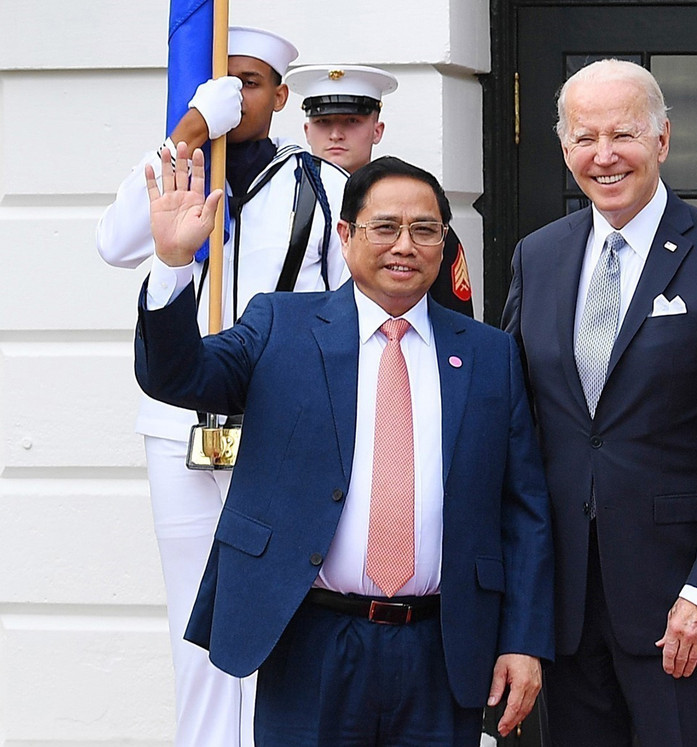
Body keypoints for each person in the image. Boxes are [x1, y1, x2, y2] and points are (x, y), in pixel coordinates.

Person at [135, 147, 555, 746]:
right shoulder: (280, 325)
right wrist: (174, 264)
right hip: (311, 642)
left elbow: (525, 510)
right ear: (346, 234)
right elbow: (177, 376)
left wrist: (523, 640)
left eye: (424, 230)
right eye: (384, 227)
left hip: (444, 646)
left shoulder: (489, 354)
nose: (404, 245)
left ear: (444, 241)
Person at [502, 59, 697, 745]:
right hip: (565, 608)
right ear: (564, 147)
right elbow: (516, 423)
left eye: (623, 134)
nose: (603, 156)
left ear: (662, 140)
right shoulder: (535, 257)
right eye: (584, 137)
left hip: (680, 609)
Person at [96, 27, 348, 747]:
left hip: (278, 426)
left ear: (280, 94)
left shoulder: (321, 186)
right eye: (223, 83)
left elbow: (343, 311)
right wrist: (188, 133)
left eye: (251, 82)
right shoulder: (181, 169)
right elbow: (115, 243)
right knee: (195, 623)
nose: (237, 97)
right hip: (179, 425)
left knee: (281, 610)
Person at [286, 64, 475, 317]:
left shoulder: (423, 220)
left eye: (352, 121)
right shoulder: (281, 211)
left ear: (377, 130)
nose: (335, 134)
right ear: (307, 131)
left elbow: (455, 323)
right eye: (323, 122)